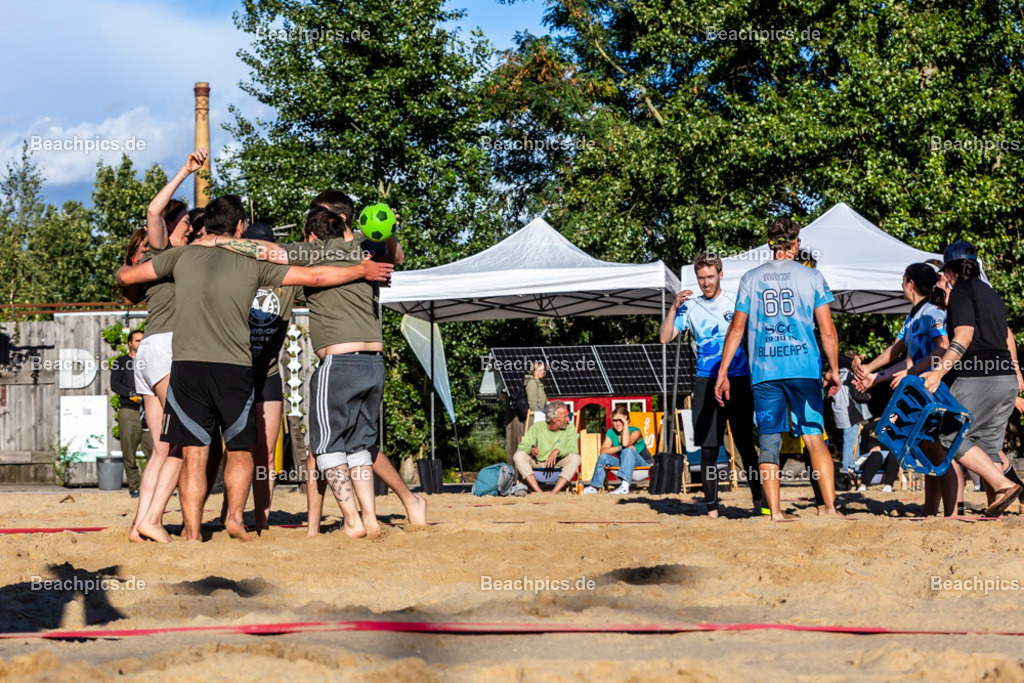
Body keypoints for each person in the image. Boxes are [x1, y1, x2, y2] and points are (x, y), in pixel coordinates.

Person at [116, 194, 395, 542]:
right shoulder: (255, 264)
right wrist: (361, 269)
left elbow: (128, 277)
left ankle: (191, 533)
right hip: (235, 366)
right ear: (239, 227)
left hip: (189, 364)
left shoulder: (181, 256)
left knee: (192, 453)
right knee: (242, 449)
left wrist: (124, 270)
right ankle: (236, 517)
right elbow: (318, 278)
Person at [200, 190, 428, 532]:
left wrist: (218, 242)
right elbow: (397, 254)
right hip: (374, 363)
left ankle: (353, 519)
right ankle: (369, 517)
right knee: (360, 447)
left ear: (316, 230)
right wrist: (388, 228)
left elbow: (264, 250)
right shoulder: (366, 250)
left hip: (339, 363)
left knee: (325, 447)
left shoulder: (313, 252)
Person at [715, 217, 842, 521]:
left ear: (769, 245)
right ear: (795, 244)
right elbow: (827, 331)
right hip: (803, 367)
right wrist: (835, 369)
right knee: (814, 437)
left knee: (769, 439)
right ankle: (830, 508)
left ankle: (775, 514)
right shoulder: (813, 277)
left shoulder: (750, 278)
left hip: (765, 369)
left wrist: (722, 373)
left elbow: (736, 330)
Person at [123, 152, 204, 543]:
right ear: (171, 224)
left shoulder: (179, 257)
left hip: (149, 352)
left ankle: (139, 525)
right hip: (167, 348)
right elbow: (155, 210)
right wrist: (185, 172)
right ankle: (154, 518)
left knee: (161, 448)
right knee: (183, 439)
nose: (189, 229)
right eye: (186, 222)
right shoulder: (162, 251)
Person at [921, 241, 1022, 516]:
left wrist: (938, 372)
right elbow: (1006, 336)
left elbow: (963, 336)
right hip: (1005, 379)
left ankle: (1002, 484)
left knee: (948, 435)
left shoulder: (962, 293)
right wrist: (1017, 372)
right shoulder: (992, 294)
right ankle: (995, 510)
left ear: (948, 270)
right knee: (988, 447)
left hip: (978, 376)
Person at [660, 252, 763, 516]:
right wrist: (673, 308)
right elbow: (665, 337)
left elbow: (755, 334)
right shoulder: (690, 306)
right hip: (705, 381)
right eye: (701, 278)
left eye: (710, 277)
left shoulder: (736, 301)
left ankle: (759, 503)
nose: (706, 282)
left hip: (738, 379)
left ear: (720, 275)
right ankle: (712, 508)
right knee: (708, 447)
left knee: (744, 444)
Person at [853, 263, 953, 514]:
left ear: (910, 283)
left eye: (902, 281)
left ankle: (952, 513)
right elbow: (897, 352)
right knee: (927, 448)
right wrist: (871, 373)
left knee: (939, 451)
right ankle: (931, 511)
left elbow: (943, 348)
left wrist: (911, 373)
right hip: (917, 389)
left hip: (932, 388)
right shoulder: (914, 315)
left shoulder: (933, 312)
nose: (901, 285)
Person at [109, 328, 152, 497]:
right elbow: (115, 385)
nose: (140, 343)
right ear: (129, 343)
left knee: (155, 452)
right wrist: (131, 394)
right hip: (129, 411)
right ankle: (135, 487)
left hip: (149, 412)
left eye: (143, 340)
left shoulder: (149, 362)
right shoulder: (121, 362)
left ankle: (155, 486)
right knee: (129, 453)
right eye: (137, 340)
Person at [513, 401, 581, 494]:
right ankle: (538, 491)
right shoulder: (537, 427)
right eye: (565, 417)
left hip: (557, 463)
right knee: (519, 455)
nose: (568, 419)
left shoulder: (570, 427)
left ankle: (554, 492)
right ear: (554, 419)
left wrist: (557, 451)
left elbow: (573, 449)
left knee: (575, 457)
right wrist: (531, 449)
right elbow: (522, 447)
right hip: (538, 462)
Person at [582, 406, 652, 494]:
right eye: (615, 420)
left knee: (628, 450)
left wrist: (625, 424)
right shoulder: (611, 432)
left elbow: (626, 443)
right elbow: (602, 451)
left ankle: (624, 487)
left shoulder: (635, 431)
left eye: (620, 420)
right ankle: (594, 487)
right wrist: (619, 448)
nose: (617, 423)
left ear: (627, 421)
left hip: (642, 468)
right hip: (625, 466)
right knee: (603, 457)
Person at [832, 352, 872, 477]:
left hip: (841, 413)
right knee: (852, 442)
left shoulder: (838, 373)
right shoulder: (850, 375)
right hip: (851, 413)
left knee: (850, 441)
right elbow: (856, 394)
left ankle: (851, 469)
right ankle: (850, 470)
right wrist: (868, 396)